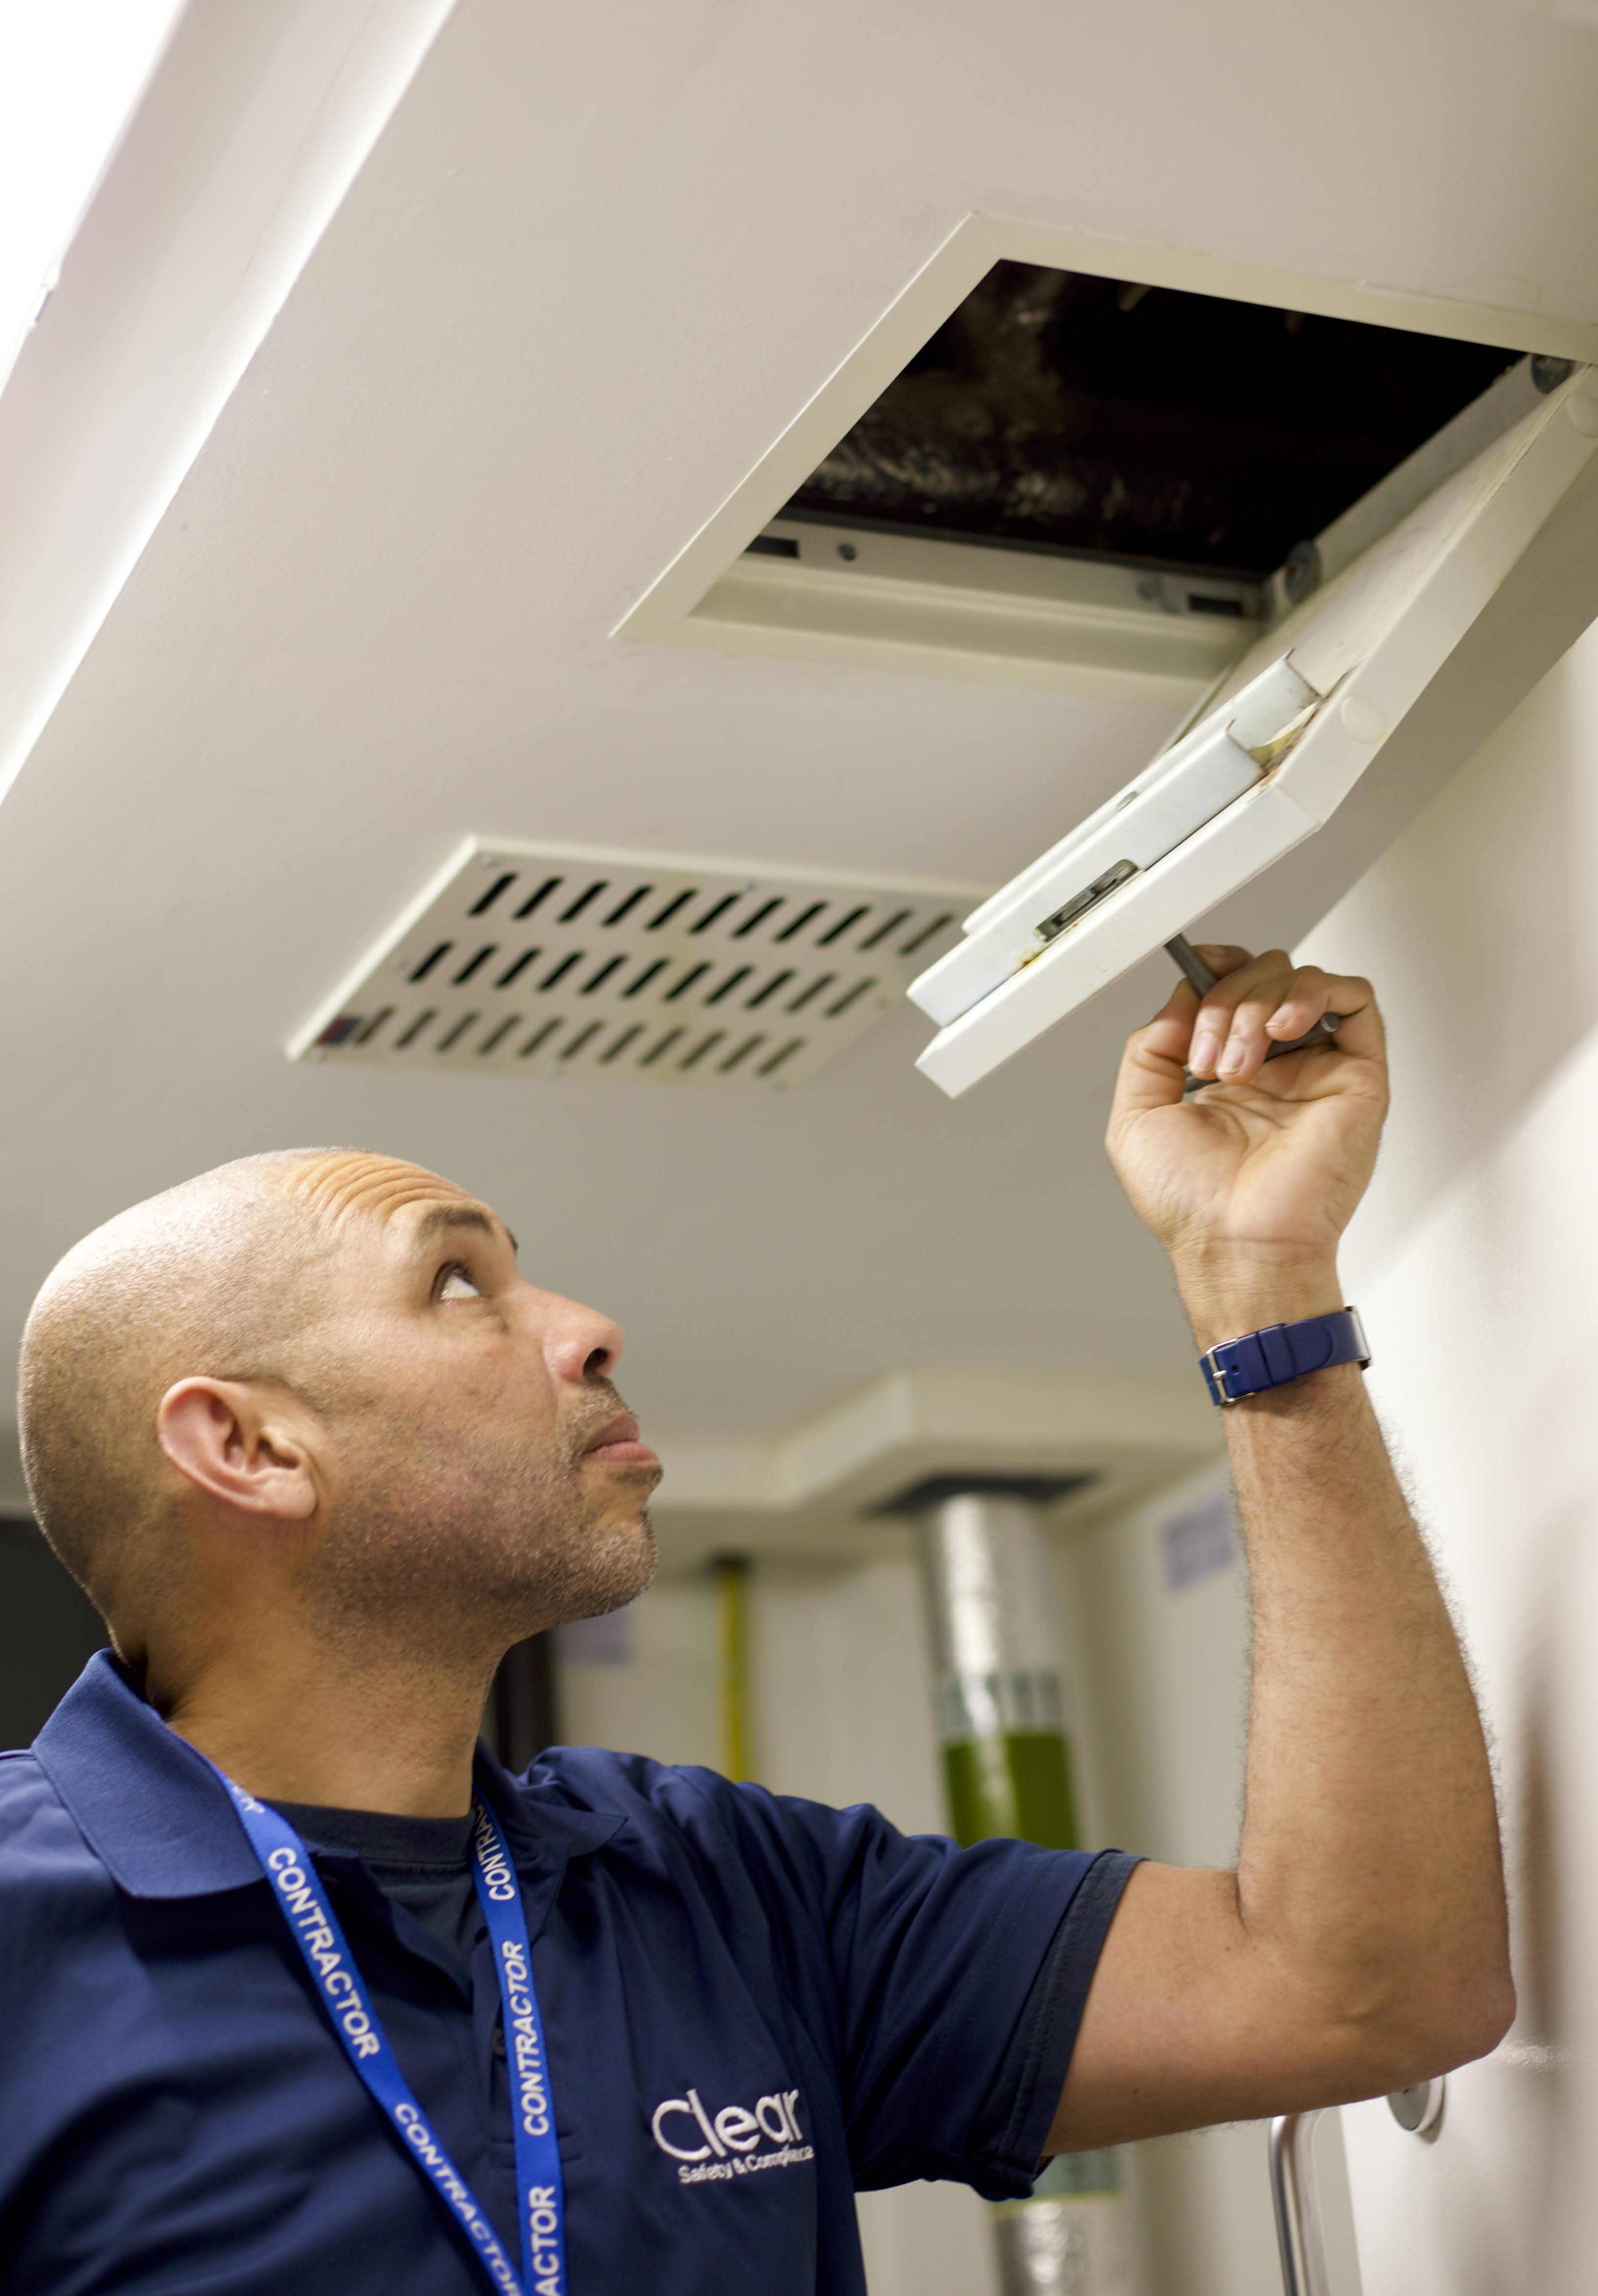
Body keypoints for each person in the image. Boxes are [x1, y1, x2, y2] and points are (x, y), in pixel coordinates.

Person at [1, 947, 1510, 2295]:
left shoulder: (719, 1884)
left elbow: (1363, 1986)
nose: (586, 1325)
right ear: (250, 1449)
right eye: (459, 1282)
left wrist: (1261, 1294)